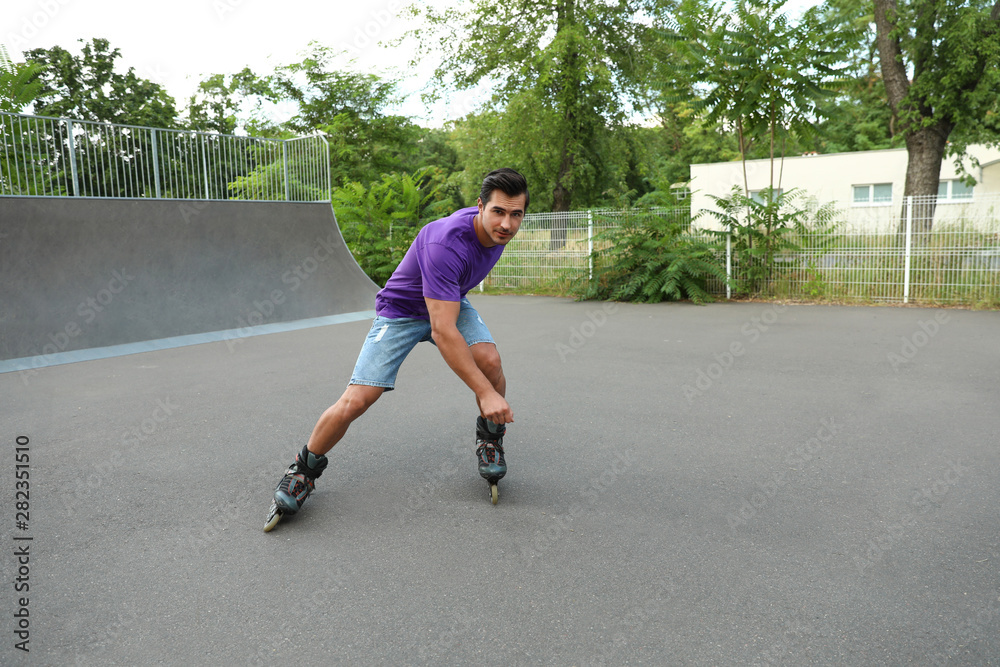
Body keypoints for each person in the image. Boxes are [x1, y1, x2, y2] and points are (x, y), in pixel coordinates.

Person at [265, 168, 529, 529]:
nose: (507, 224)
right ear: (480, 207)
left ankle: (490, 438)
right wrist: (485, 393)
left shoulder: (497, 234)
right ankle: (303, 469)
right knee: (357, 399)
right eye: (498, 212)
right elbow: (443, 330)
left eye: (516, 215)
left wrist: (487, 387)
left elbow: (447, 315)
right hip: (402, 313)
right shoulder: (446, 243)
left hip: (447, 302)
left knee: (489, 360)